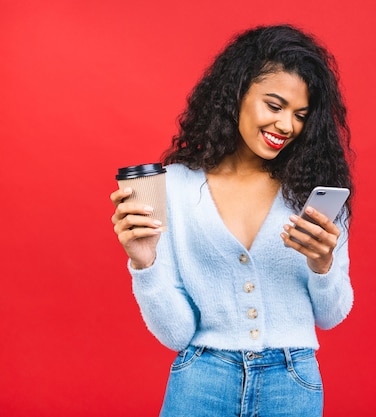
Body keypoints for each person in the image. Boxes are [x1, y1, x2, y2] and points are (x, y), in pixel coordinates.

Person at [110, 24, 354, 416]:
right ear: (237, 94)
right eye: (274, 106)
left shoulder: (314, 193)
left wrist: (323, 266)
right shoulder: (175, 187)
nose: (287, 126)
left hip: (291, 383)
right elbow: (176, 334)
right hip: (201, 379)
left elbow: (331, 314)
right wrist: (145, 262)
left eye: (300, 115)